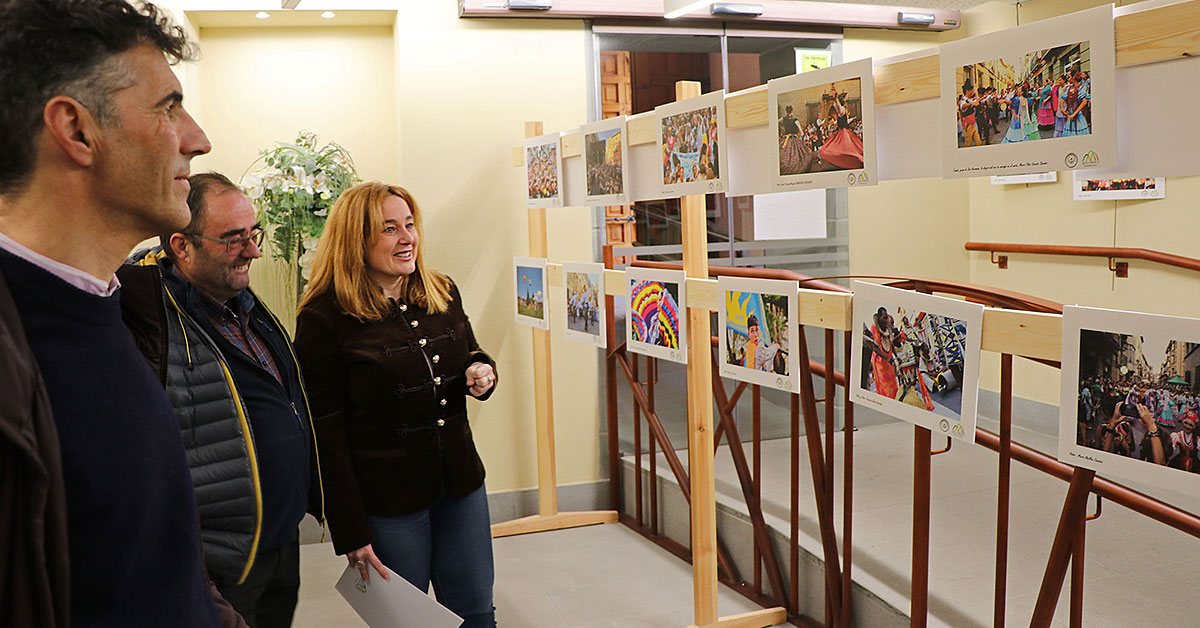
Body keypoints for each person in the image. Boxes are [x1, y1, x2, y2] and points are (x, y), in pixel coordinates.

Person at [0, 1, 245, 626]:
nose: (198, 139)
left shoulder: (112, 305)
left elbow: (154, 556)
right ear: (77, 131)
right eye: (168, 107)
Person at [118, 172, 325, 628]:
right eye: (234, 239)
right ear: (182, 246)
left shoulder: (246, 304)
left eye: (254, 234)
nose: (252, 250)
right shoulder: (152, 327)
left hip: (278, 544)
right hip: (222, 564)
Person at [294, 182, 499, 628]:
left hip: (460, 484)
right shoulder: (323, 318)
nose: (407, 238)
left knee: (478, 614)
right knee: (409, 624)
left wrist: (481, 370)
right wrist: (349, 528)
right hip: (388, 501)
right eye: (390, 229)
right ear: (356, 239)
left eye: (409, 225)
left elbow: (470, 352)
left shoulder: (440, 290)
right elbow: (324, 431)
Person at [958, 80, 983, 148]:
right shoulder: (963, 101)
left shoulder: (970, 100)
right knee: (968, 144)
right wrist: (972, 103)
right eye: (971, 90)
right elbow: (963, 106)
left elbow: (976, 101)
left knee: (978, 142)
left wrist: (981, 99)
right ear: (967, 91)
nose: (972, 92)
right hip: (967, 125)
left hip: (973, 124)